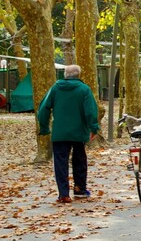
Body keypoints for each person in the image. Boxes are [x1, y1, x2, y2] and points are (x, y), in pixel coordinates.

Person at [37, 65, 100, 203]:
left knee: (60, 163)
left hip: (60, 132)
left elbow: (43, 108)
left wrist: (44, 128)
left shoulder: (55, 88)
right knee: (79, 160)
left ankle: (63, 194)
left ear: (65, 74)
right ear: (78, 74)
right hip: (79, 132)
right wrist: (94, 128)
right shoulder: (84, 89)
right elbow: (91, 111)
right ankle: (80, 189)